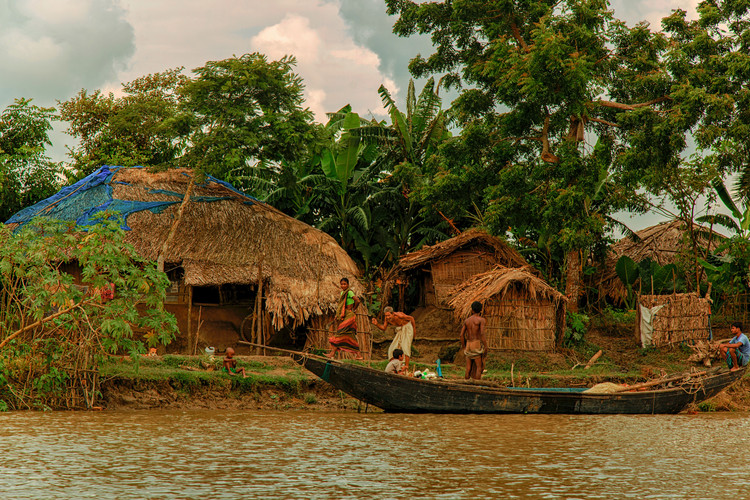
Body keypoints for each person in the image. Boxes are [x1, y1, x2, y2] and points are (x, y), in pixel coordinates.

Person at [327, 277, 363, 359]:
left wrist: (353, 309)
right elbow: (341, 306)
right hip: (345, 314)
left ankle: (332, 353)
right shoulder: (342, 293)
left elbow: (357, 301)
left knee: (339, 333)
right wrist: (338, 315)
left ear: (348, 284)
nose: (343, 285)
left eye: (345, 284)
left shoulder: (349, 292)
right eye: (342, 284)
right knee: (351, 335)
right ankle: (359, 355)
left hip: (350, 315)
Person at [460, 301, 488, 380]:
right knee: (479, 367)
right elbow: (482, 334)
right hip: (476, 344)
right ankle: (477, 386)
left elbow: (461, 335)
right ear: (481, 310)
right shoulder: (481, 320)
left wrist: (464, 347)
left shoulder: (467, 321)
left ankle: (466, 384)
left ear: (472, 310)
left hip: (468, 344)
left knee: (468, 368)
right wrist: (485, 346)